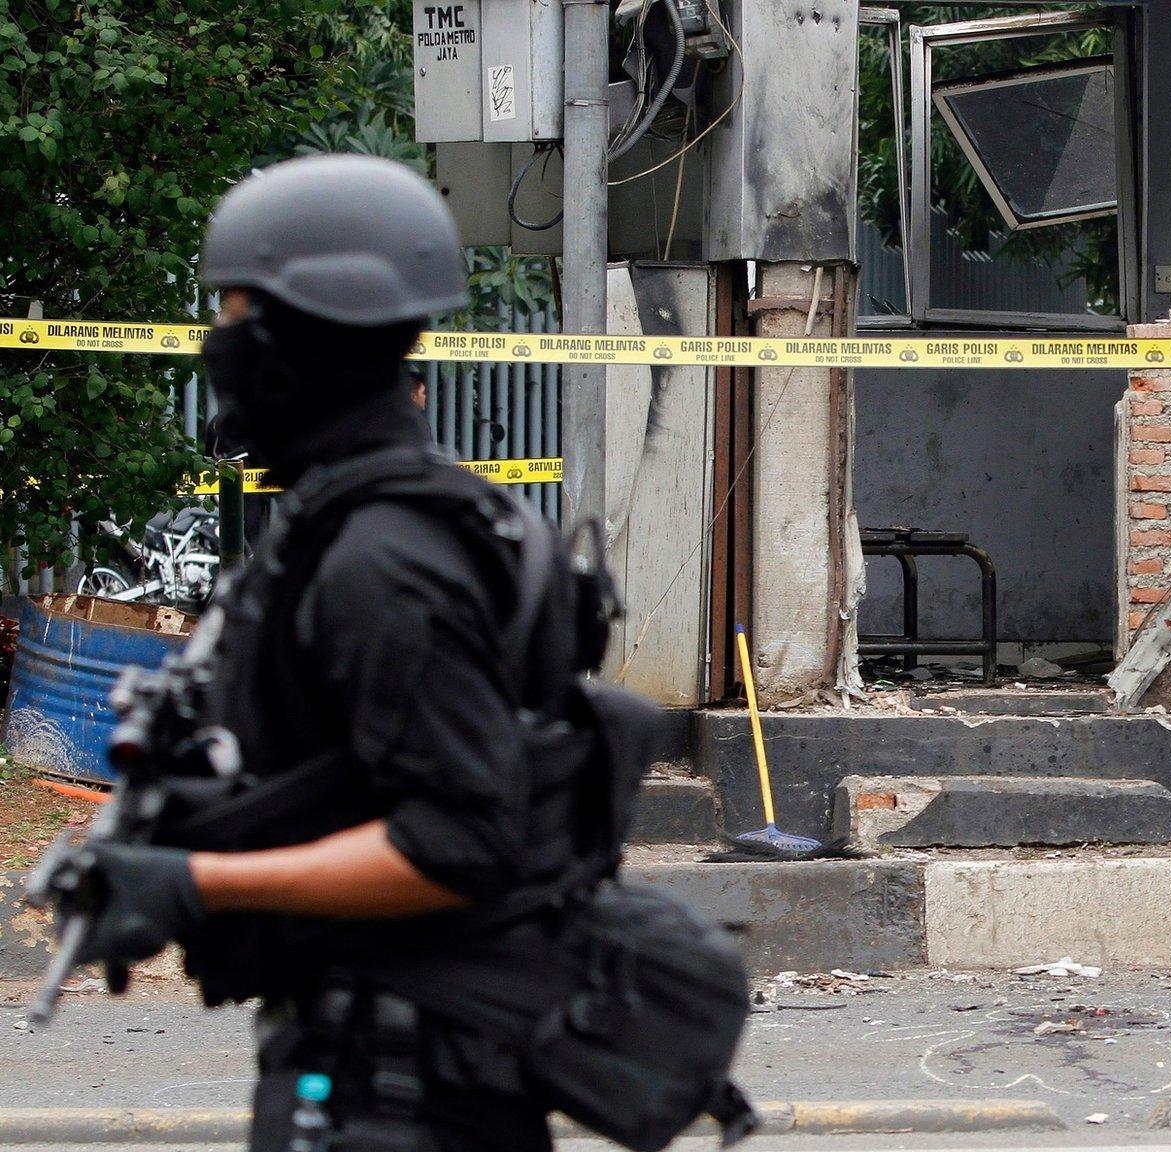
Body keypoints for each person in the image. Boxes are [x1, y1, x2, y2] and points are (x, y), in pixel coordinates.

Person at [49, 155, 749, 1152]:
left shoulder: (385, 561)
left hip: (410, 1097)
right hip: (374, 1072)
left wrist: (200, 882)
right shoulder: (349, 529)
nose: (222, 347)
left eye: (238, 316)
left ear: (302, 340)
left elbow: (456, 839)